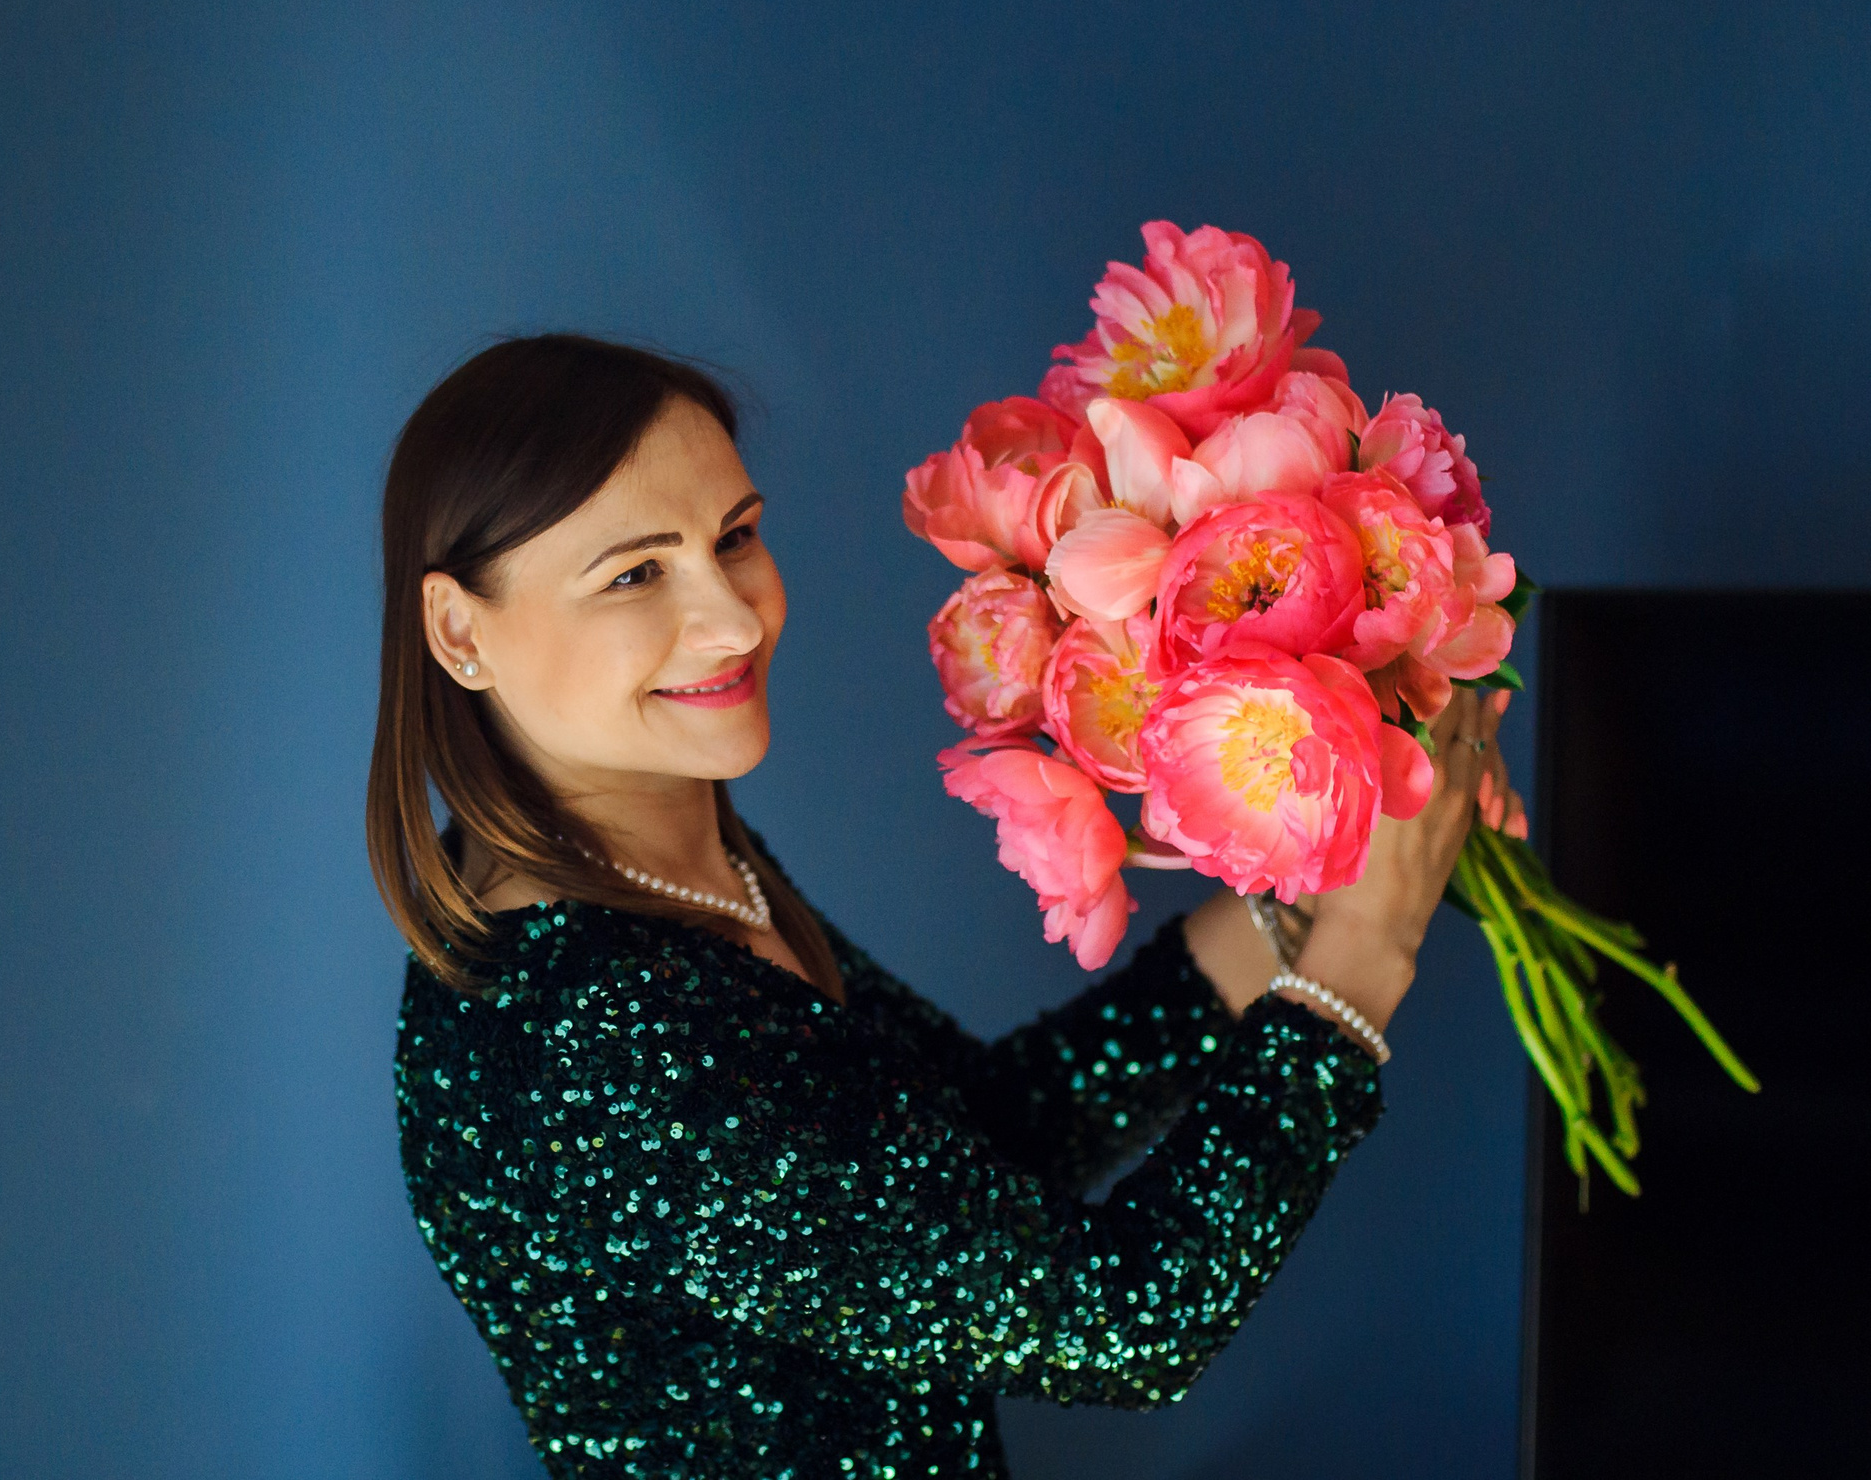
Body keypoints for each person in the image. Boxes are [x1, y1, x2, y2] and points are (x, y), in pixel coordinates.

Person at [368, 336, 1517, 1478]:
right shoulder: (586, 1038)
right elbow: (1127, 1328)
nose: (734, 620)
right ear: (461, 632)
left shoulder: (666, 865)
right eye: (633, 574)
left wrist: (1304, 890)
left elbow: (974, 1144)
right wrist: (1365, 954)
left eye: (735, 538)